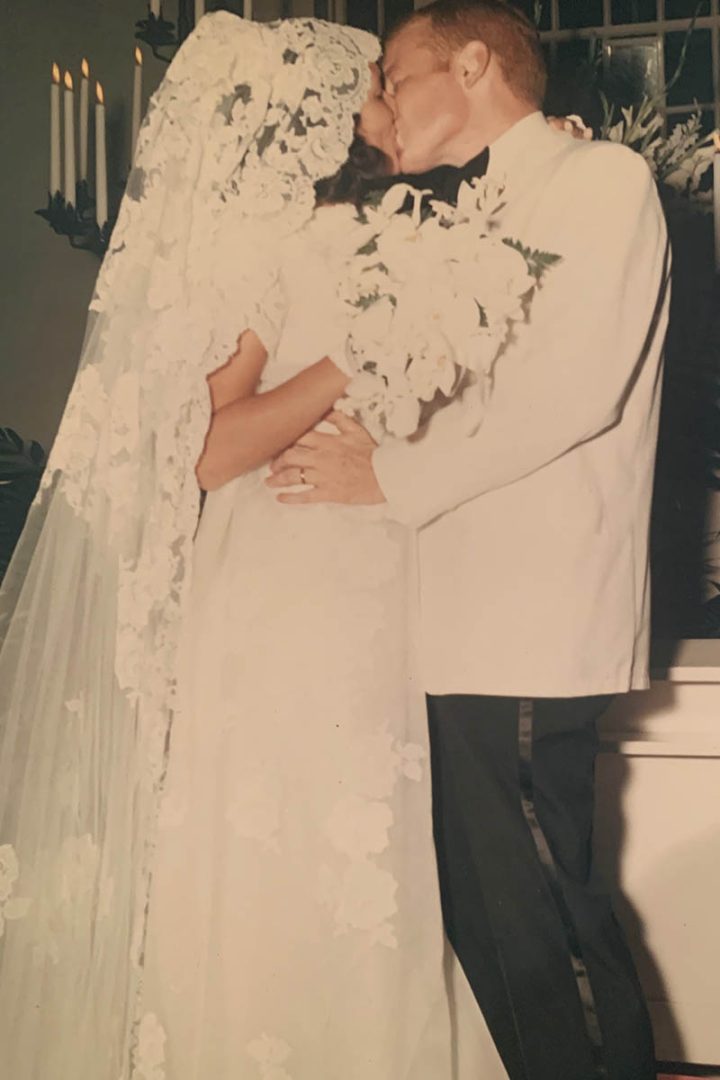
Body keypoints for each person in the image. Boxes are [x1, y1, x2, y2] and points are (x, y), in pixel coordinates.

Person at [0, 12, 509, 1079]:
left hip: (368, 566)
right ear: (317, 120)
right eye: (370, 87)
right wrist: (346, 360)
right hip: (281, 573)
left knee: (367, 836)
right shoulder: (275, 248)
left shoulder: (396, 231)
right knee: (287, 832)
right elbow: (207, 448)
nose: (386, 101)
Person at [269, 3, 671, 1079]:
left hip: (530, 621)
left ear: (476, 64)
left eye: (396, 77)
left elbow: (573, 390)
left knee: (545, 923)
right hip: (448, 623)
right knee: (493, 925)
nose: (383, 104)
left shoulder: (601, 182)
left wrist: (384, 475)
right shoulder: (454, 211)